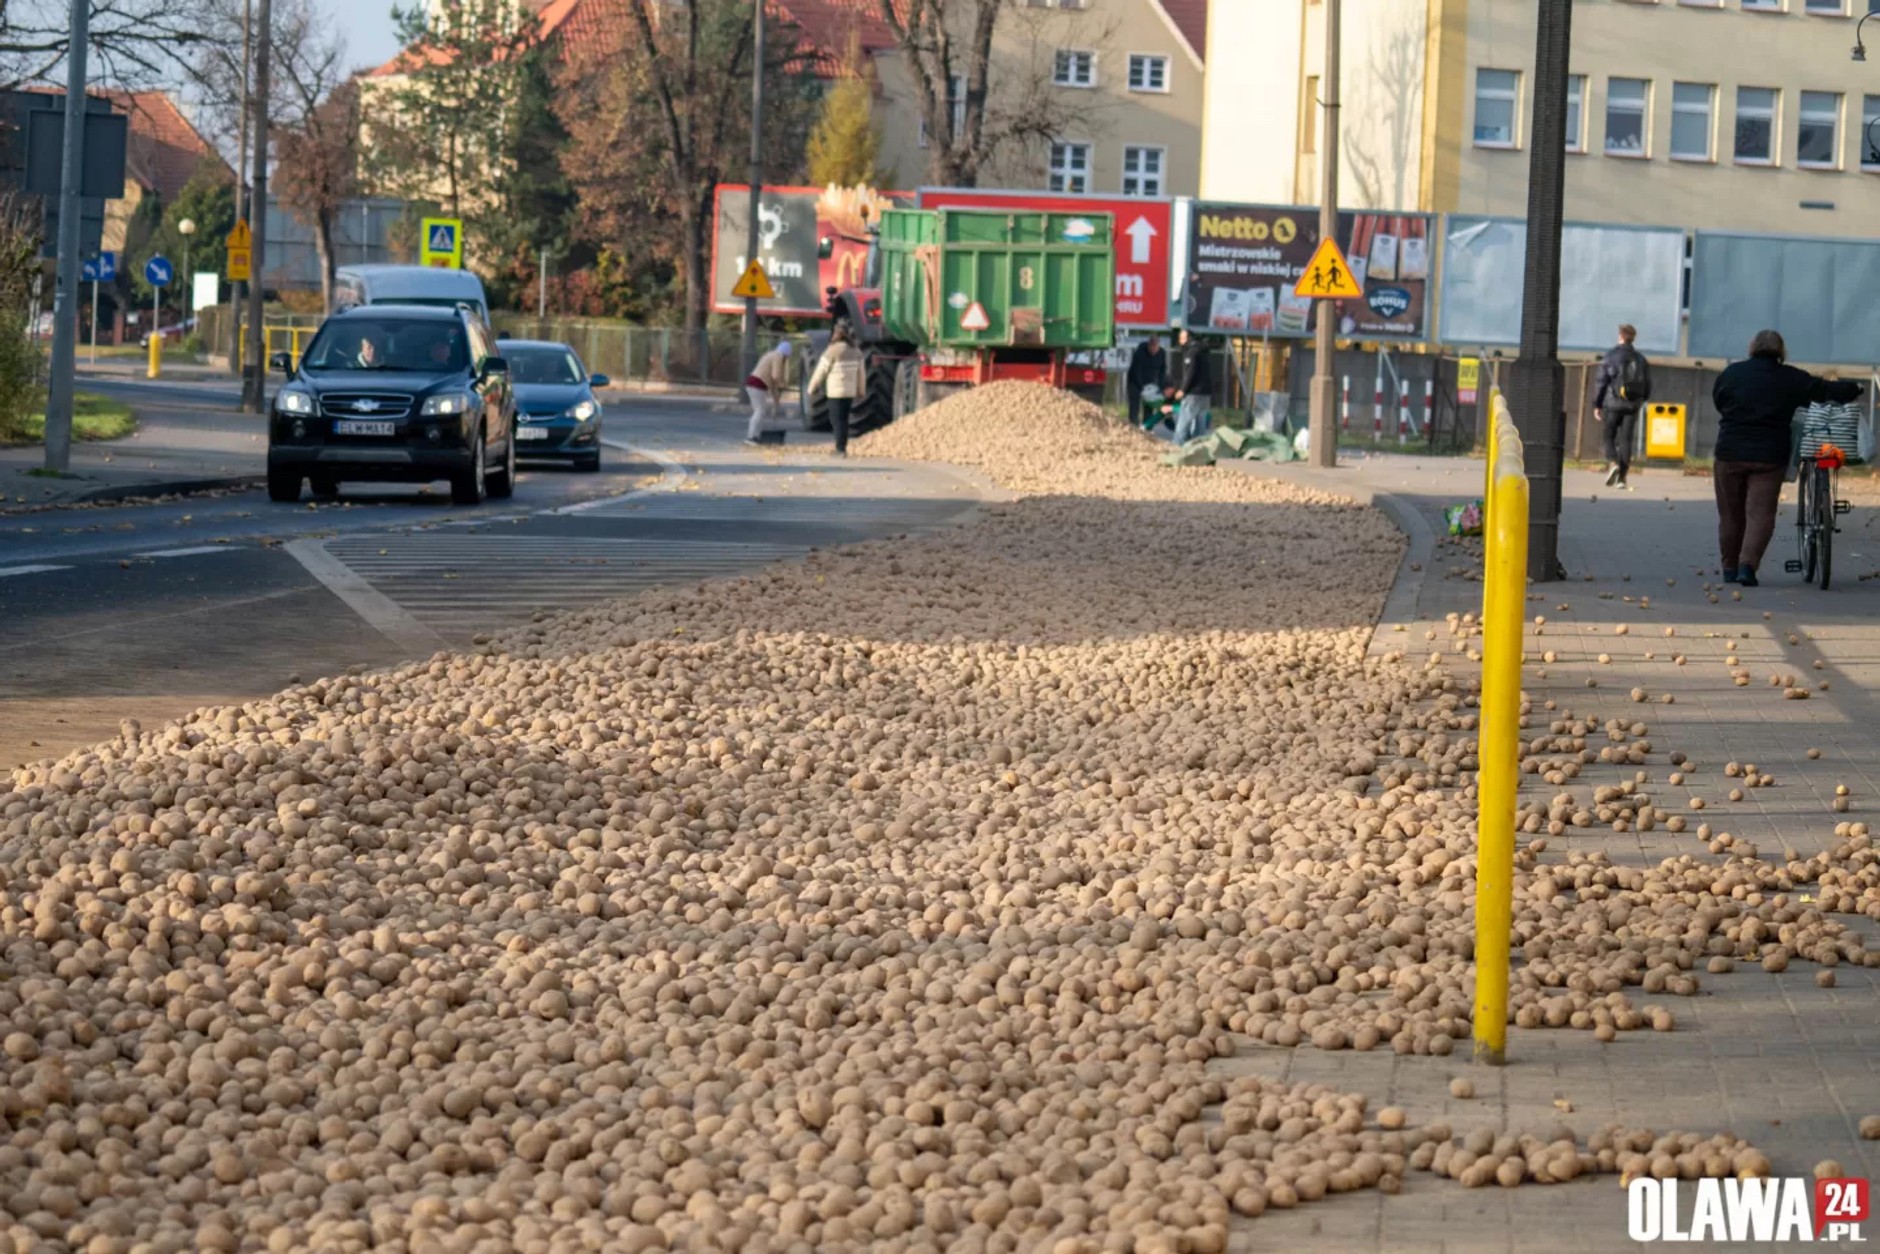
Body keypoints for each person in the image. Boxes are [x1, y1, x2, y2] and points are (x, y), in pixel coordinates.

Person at [1710, 329, 1862, 587]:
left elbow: (1719, 401)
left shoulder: (1731, 374)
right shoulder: (1790, 378)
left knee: (1730, 514)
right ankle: (1748, 567)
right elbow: (1824, 390)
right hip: (1769, 457)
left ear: (1752, 347)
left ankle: (1729, 569)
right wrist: (1853, 389)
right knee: (1761, 513)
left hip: (1730, 453)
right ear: (1781, 351)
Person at [1591, 323, 1652, 489]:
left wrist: (1597, 404)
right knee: (1626, 440)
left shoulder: (1611, 356)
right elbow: (1647, 384)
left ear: (1620, 336)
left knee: (1608, 436)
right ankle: (1622, 479)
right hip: (1632, 405)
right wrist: (1641, 400)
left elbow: (1601, 381)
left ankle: (1613, 462)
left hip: (1612, 403)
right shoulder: (1640, 359)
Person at [805, 326, 864, 455]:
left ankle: (840, 449)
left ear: (835, 336)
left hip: (835, 393)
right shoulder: (856, 352)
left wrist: (811, 388)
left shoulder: (831, 351)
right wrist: (861, 391)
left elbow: (820, 372)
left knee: (836, 421)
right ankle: (842, 446)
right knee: (844, 420)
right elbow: (861, 374)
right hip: (849, 393)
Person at [745, 341, 793, 443]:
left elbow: (773, 383)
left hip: (754, 383)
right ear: (786, 354)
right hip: (757, 384)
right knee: (760, 411)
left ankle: (756, 436)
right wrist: (782, 384)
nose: (786, 360)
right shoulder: (778, 357)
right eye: (787, 357)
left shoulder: (771, 355)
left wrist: (776, 401)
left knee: (760, 412)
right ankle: (751, 437)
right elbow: (776, 377)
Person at [1170, 330, 1213, 443]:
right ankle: (1198, 453)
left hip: (1193, 393)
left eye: (1181, 338)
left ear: (1187, 338)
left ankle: (1175, 450)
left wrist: (1182, 390)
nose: (1180, 342)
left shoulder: (1191, 352)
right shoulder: (1204, 351)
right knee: (1200, 429)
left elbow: (1190, 373)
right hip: (1206, 394)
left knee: (1182, 426)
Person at [1126, 334, 1167, 428]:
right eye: (1152, 348)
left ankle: (1147, 427)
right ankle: (1133, 425)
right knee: (1134, 405)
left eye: (1156, 348)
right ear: (1149, 345)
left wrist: (1161, 385)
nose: (1154, 351)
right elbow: (1137, 371)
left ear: (1158, 346)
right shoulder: (1139, 353)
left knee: (1149, 406)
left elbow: (1162, 370)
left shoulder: (1162, 353)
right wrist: (1141, 387)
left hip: (1150, 381)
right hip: (1135, 381)